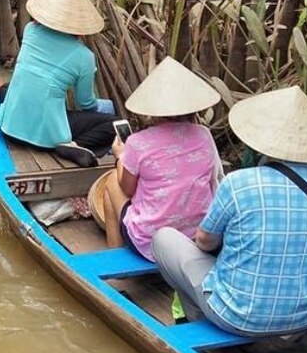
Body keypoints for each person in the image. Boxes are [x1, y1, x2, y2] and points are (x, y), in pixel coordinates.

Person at [151, 88, 307, 336]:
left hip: (234, 316)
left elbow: (205, 240)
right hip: (304, 316)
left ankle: (196, 317)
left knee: (163, 238)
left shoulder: (238, 182)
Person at [86, 57, 221, 259]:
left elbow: (128, 189)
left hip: (150, 243)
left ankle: (115, 260)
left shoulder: (138, 143)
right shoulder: (204, 135)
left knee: (112, 182)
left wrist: (120, 157)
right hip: (196, 237)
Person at [0, 0, 113, 162]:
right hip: (45, 137)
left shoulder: (30, 31)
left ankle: (8, 112)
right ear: (80, 28)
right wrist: (104, 107)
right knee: (114, 123)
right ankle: (75, 145)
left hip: (9, 126)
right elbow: (85, 103)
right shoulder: (85, 56)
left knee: (6, 88)